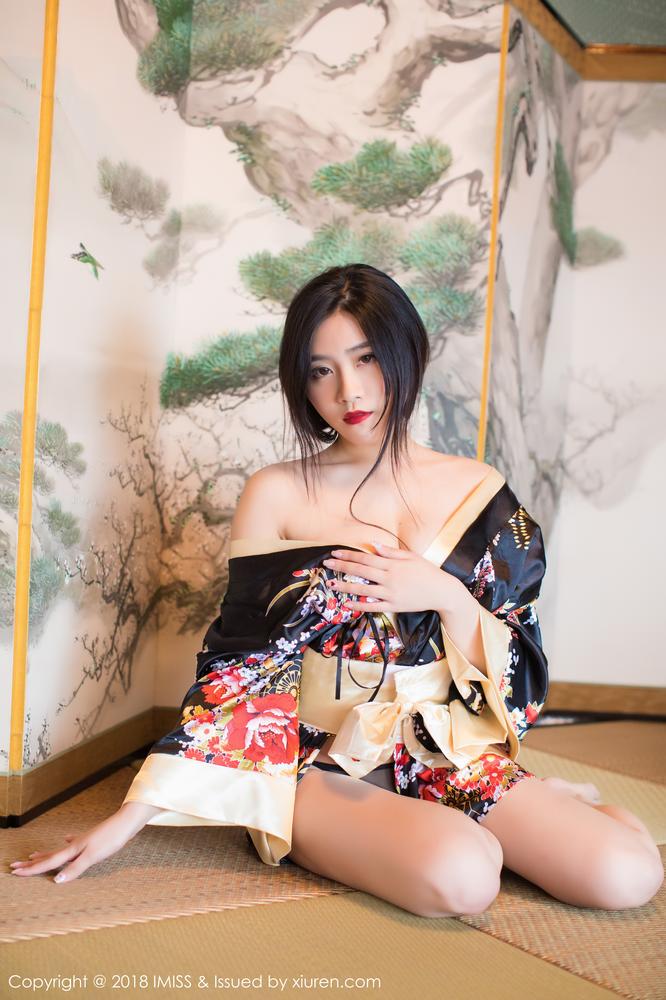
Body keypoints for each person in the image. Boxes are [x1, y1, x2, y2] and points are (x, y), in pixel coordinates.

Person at [10, 264, 663, 916]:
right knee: (464, 875)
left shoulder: (478, 489)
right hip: (315, 760)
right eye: (321, 370)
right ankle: (422, 830)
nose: (347, 390)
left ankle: (525, 813)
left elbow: (519, 643)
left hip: (440, 744)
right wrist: (132, 815)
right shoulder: (277, 492)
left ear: (407, 351)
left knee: (625, 877)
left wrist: (446, 594)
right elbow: (242, 663)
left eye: (366, 358)